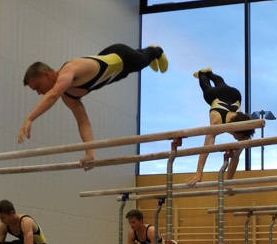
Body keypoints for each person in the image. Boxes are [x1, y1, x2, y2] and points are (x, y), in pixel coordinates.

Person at [19, 44, 169, 167]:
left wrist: (30, 118)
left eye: (38, 87)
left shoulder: (69, 70)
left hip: (122, 57)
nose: (39, 93)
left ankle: (156, 51)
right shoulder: (68, 97)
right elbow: (83, 122)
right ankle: (145, 53)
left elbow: (52, 95)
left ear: (47, 75)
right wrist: (90, 154)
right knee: (136, 60)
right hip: (114, 71)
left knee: (142, 60)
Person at [186, 69, 255, 186]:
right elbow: (206, 148)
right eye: (240, 137)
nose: (240, 140)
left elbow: (235, 158)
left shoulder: (244, 132)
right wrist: (199, 172)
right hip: (215, 95)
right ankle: (203, 73)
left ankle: (211, 73)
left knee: (221, 84)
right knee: (206, 87)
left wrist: (229, 182)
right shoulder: (217, 122)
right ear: (236, 131)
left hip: (235, 94)